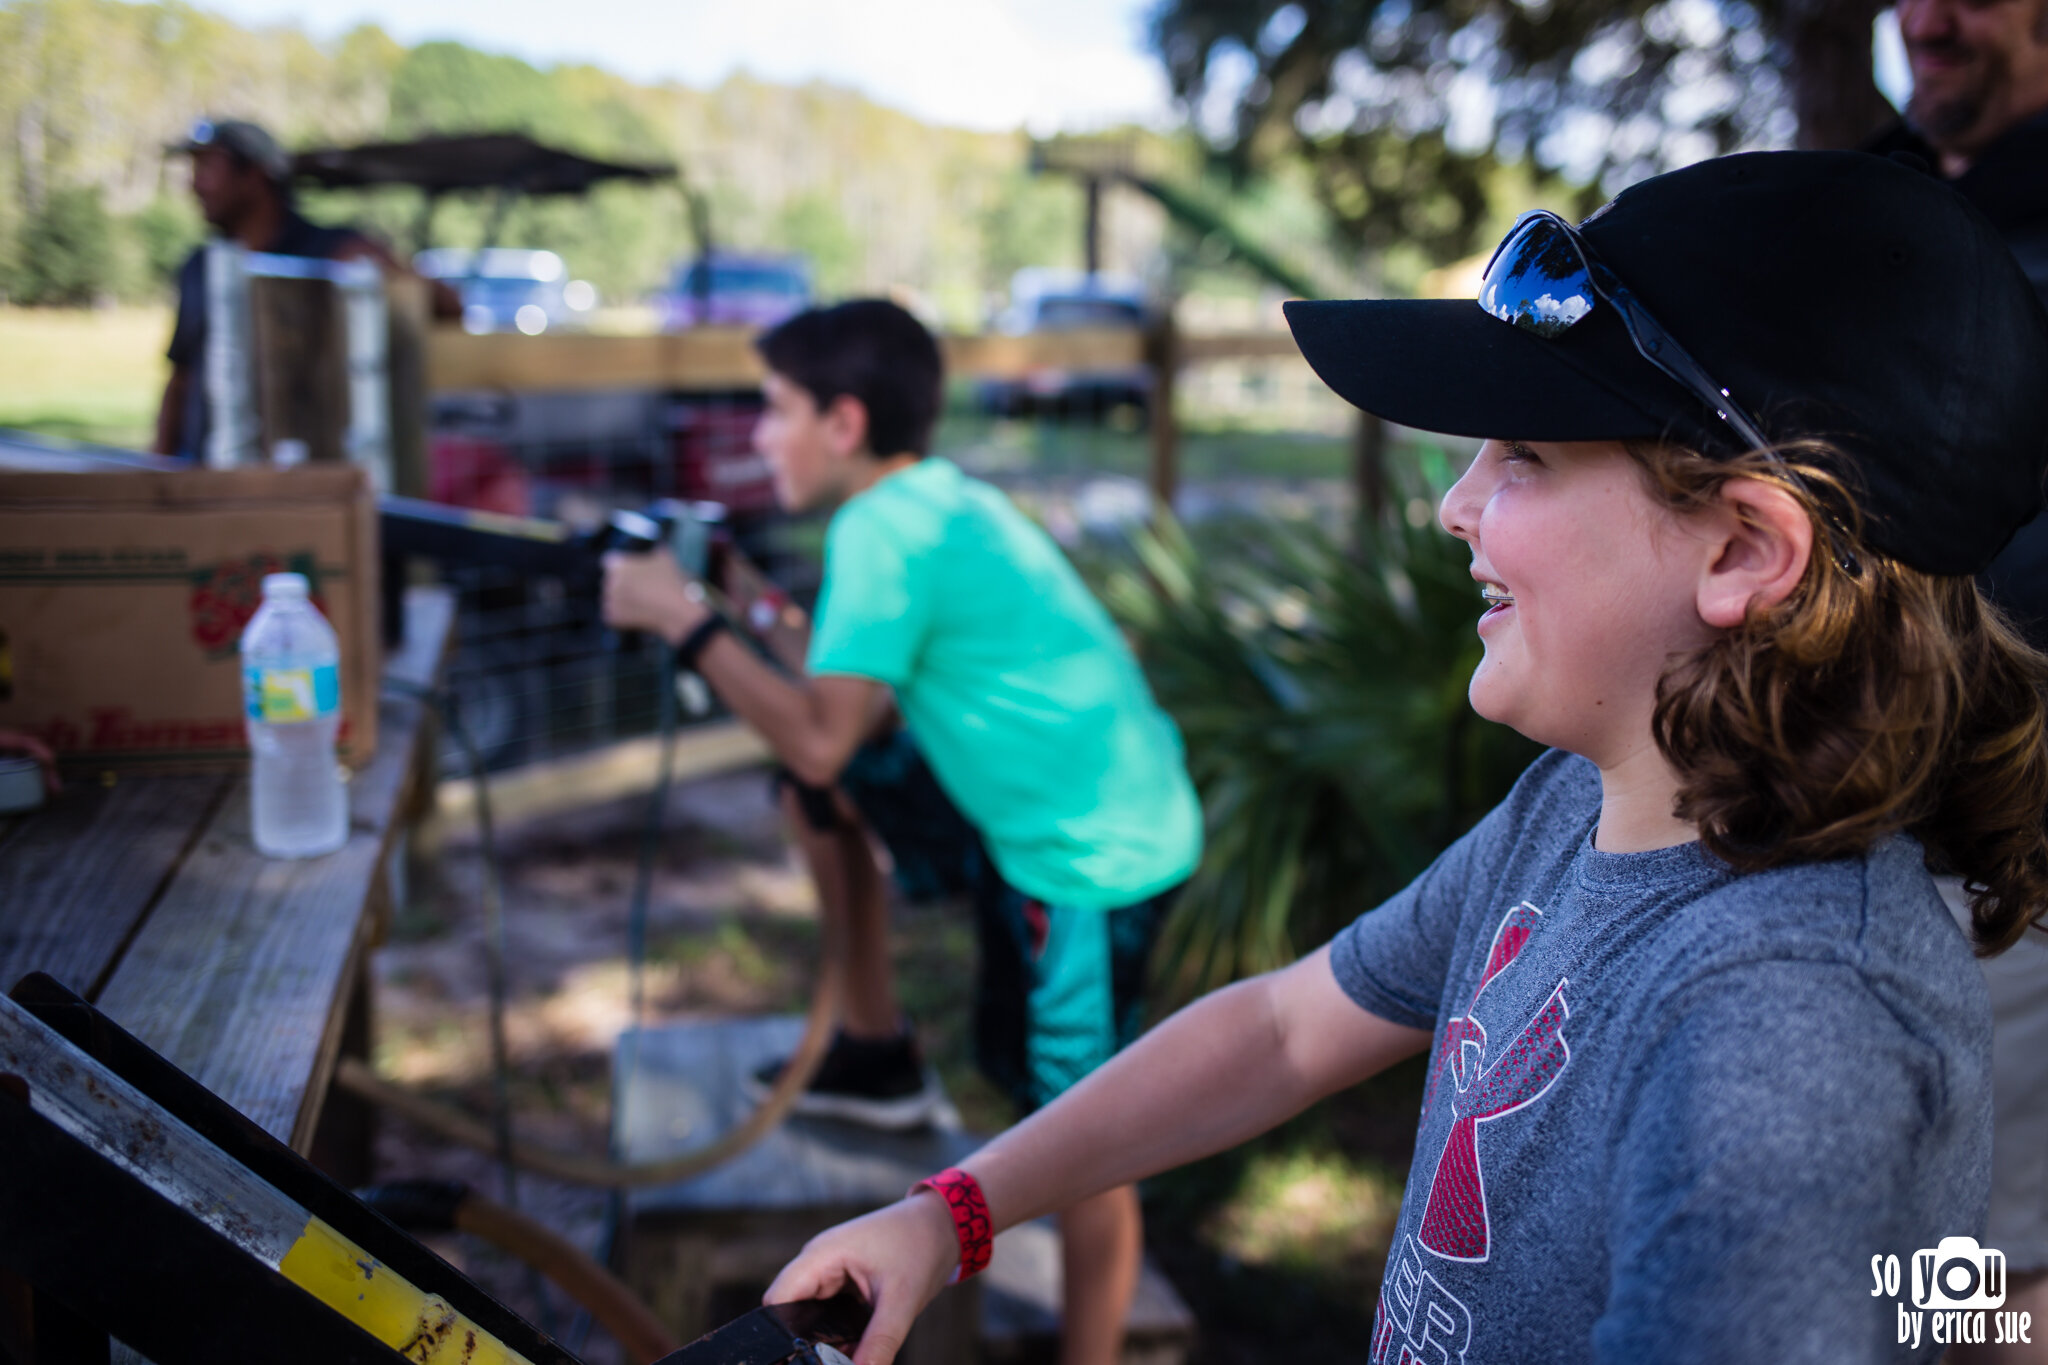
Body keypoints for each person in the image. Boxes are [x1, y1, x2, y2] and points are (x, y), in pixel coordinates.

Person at [759, 151, 2048, 1365]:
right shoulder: (1580, 808)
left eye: (1525, 454)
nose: (1454, 502)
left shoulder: (1787, 1026)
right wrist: (953, 1216)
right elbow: (1281, 1028)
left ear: (1742, 553)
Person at [601, 299, 1203, 1365]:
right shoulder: (926, 504)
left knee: (1080, 1137)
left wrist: (678, 620)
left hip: (1089, 859)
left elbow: (827, 734)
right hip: (1033, 806)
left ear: (841, 422)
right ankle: (874, 1052)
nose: (755, 437)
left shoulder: (880, 530)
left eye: (772, 411)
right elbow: (845, 707)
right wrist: (743, 610)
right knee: (813, 789)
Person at [1869, 9, 2048, 1357]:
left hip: (2007, 871)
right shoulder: (1867, 192)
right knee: (1875, 1268)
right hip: (1832, 842)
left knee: (1985, 1285)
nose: (1926, 16)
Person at [153, 117, 452, 460]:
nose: (196, 185)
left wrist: (384, 271)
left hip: (305, 475)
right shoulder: (199, 267)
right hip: (208, 472)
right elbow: (181, 377)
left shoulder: (329, 251)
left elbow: (448, 306)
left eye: (207, 168)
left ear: (253, 175)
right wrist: (160, 462)